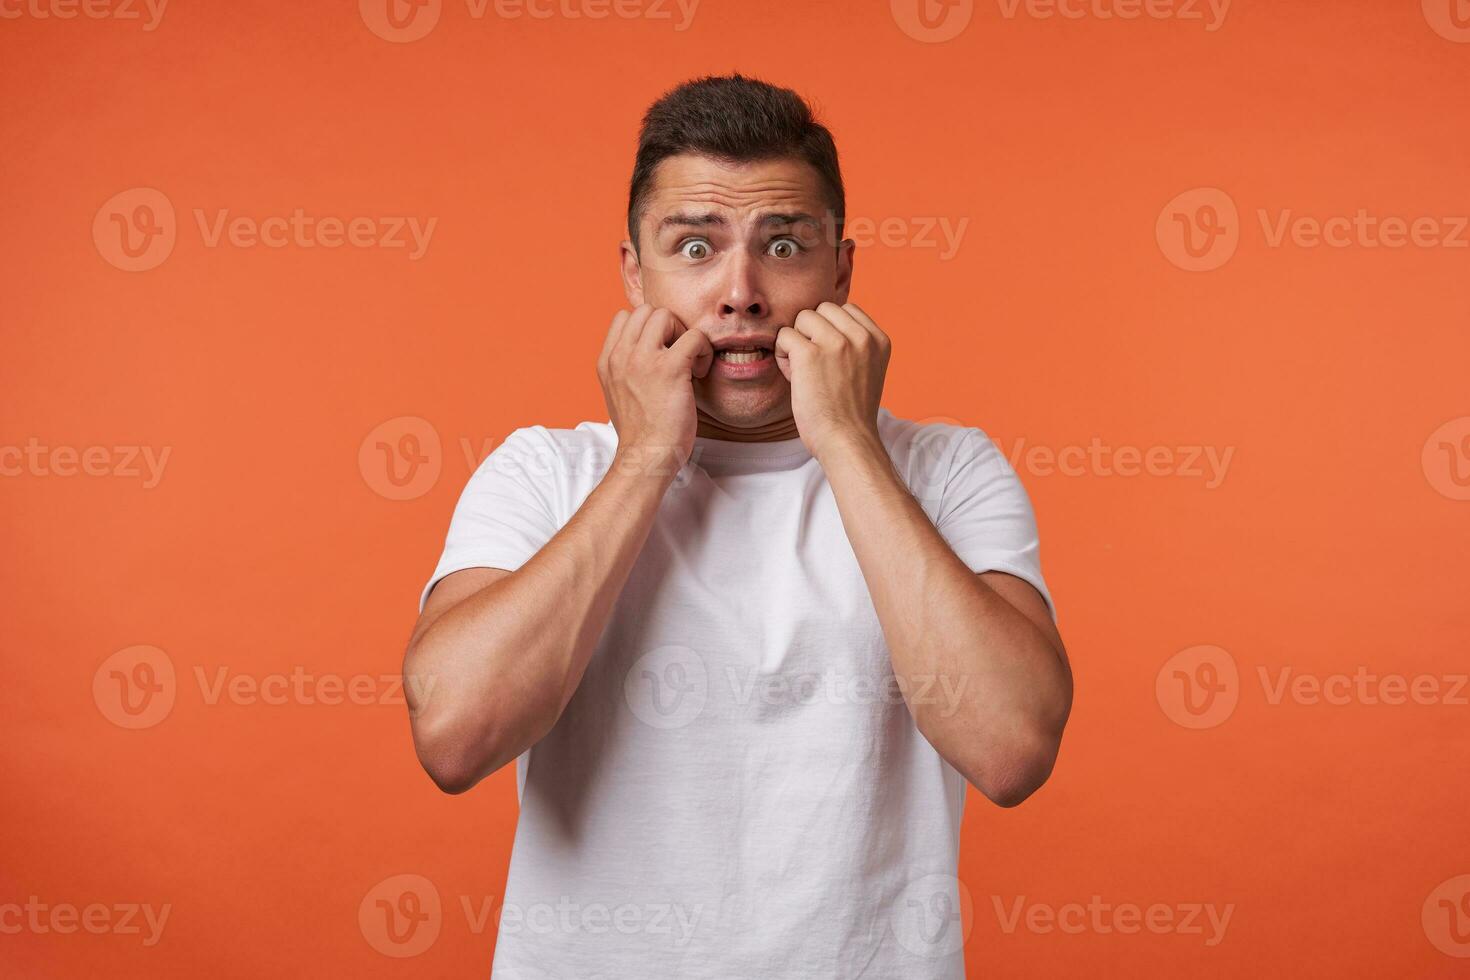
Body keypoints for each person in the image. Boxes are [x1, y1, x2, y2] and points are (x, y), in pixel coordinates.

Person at [402, 72, 1073, 979]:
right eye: (693, 248)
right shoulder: (543, 473)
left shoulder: (948, 472)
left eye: (785, 244)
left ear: (842, 270)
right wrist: (645, 459)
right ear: (634, 274)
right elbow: (454, 737)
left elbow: (1011, 750)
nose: (740, 293)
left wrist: (842, 439)